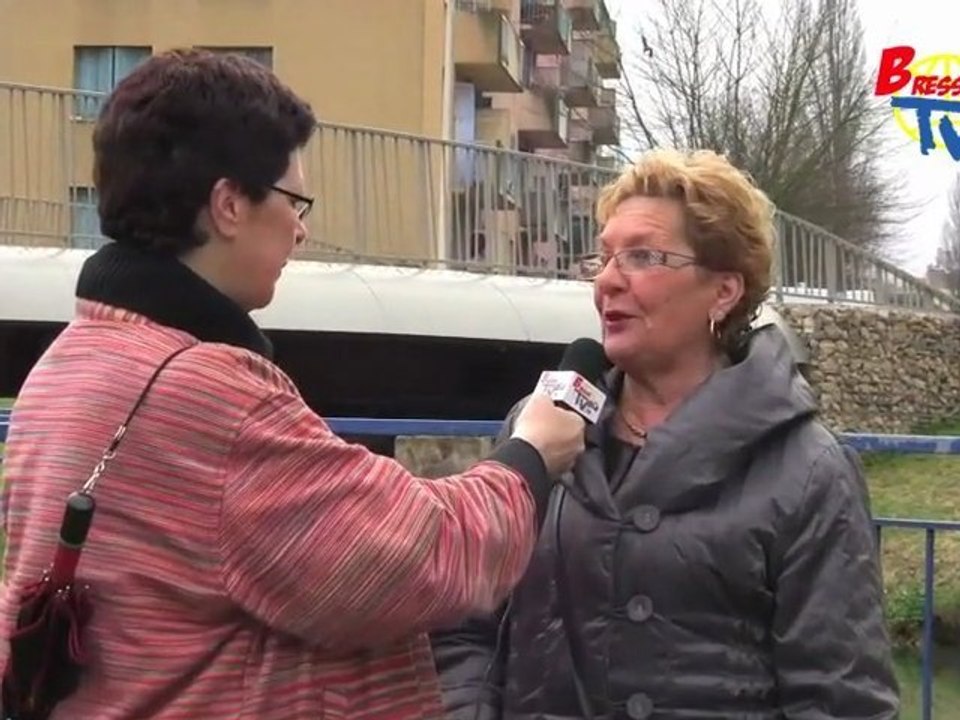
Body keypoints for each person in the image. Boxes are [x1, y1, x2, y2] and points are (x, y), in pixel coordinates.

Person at [0, 49, 587, 719]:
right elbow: (413, 559)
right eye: (293, 199)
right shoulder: (211, 397)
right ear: (227, 205)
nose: (302, 228)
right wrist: (530, 456)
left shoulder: (69, 361)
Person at [432, 148, 900, 719]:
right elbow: (464, 621)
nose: (607, 281)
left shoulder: (809, 471)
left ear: (724, 291)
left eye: (642, 256)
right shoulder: (539, 427)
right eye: (603, 257)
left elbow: (841, 701)